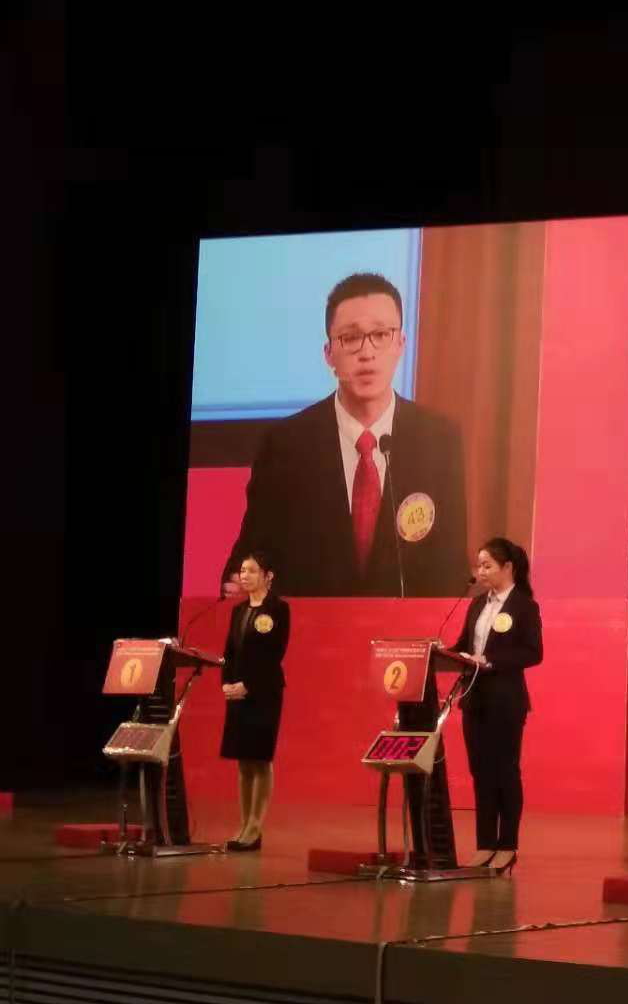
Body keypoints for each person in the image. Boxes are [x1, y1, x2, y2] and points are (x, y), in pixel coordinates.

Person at [221, 272, 468, 597]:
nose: (367, 352)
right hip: (310, 627)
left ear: (401, 344)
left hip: (405, 628)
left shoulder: (438, 440)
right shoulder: (285, 445)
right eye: (350, 338)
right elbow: (250, 559)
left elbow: (450, 568)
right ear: (328, 354)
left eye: (381, 334)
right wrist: (243, 585)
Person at [455, 537, 543, 872]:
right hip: (474, 699)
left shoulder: (524, 606)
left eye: (487, 565)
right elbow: (463, 645)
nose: (480, 572)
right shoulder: (477, 604)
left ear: (508, 567)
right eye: (478, 565)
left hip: (505, 702)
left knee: (505, 771)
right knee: (480, 772)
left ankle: (507, 845)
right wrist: (441, 651)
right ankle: (484, 845)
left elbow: (533, 653)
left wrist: (491, 661)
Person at [220, 550, 290, 851]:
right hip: (237, 693)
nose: (244, 575)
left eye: (251, 570)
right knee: (243, 762)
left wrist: (248, 686)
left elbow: (275, 654)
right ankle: (243, 824)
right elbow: (230, 652)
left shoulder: (279, 609)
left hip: (264, 693)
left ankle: (255, 826)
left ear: (267, 576)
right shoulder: (239, 611)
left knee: (260, 760)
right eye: (242, 571)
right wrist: (226, 683)